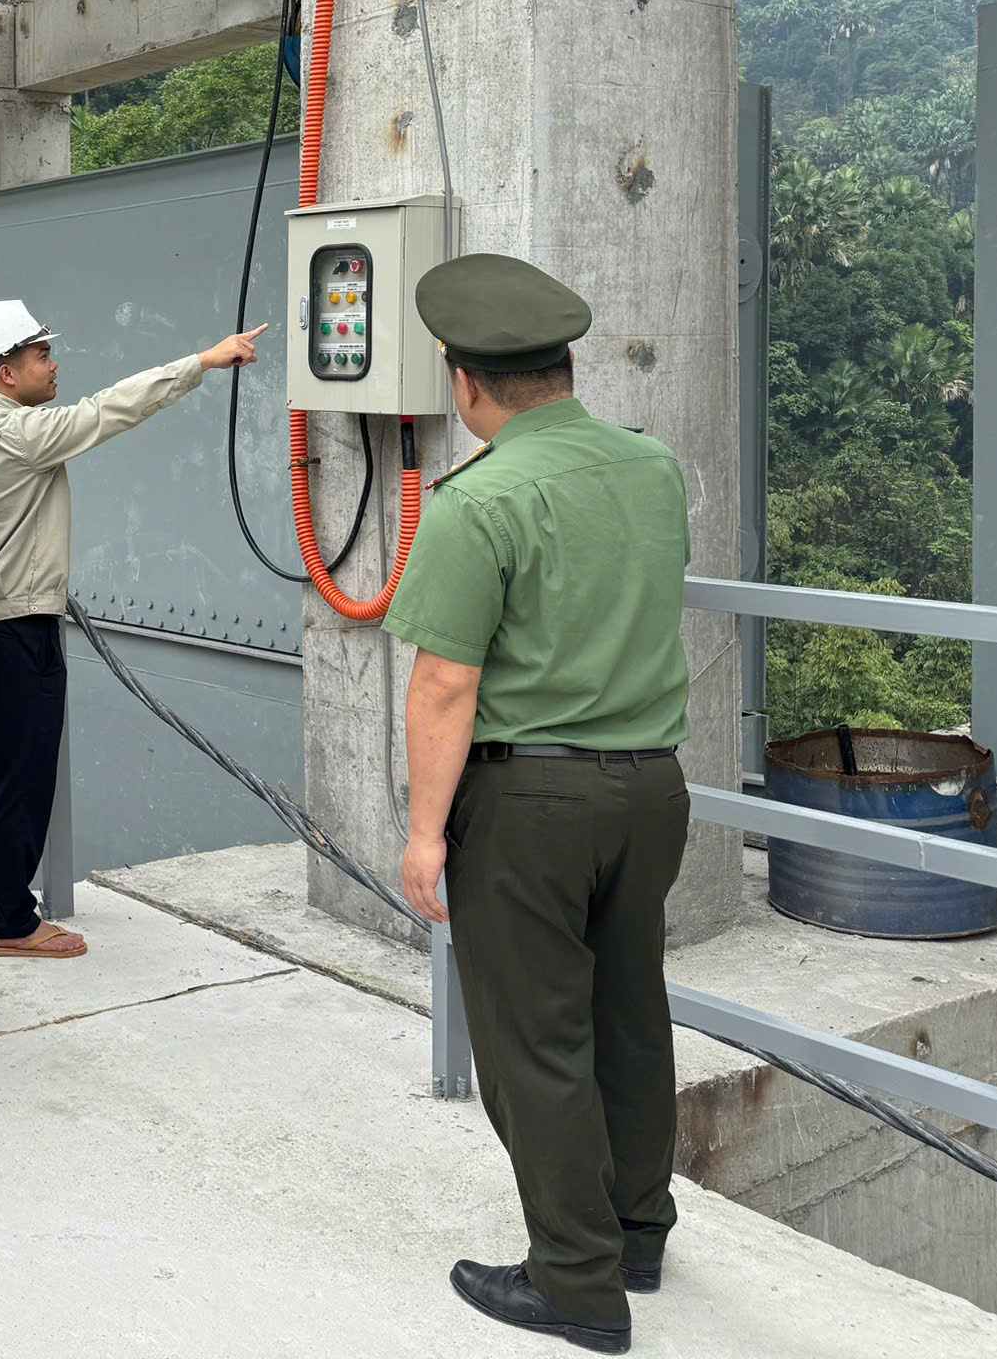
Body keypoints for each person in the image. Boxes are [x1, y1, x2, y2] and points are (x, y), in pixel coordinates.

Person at [385, 253, 692, 1357]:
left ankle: (575, 1282)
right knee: (626, 1010)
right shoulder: (652, 468)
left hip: (532, 800)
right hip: (652, 787)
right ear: (563, 368)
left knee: (534, 1041)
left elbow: (445, 681)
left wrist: (424, 834)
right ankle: (634, 1232)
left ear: (465, 385)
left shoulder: (483, 499)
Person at [0, 300, 264, 960]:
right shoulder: (17, 435)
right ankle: (13, 922)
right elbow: (107, 410)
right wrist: (200, 362)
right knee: (20, 773)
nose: (53, 365)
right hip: (18, 623)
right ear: (3, 372)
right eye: (40, 355)